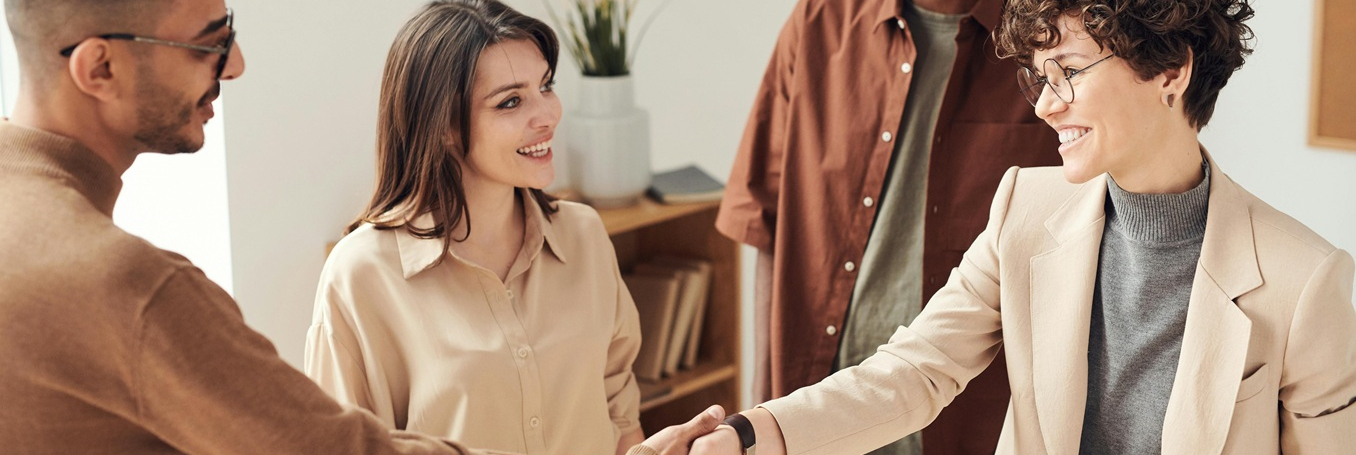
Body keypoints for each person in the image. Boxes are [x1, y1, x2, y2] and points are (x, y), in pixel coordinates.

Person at [0, 0, 715, 453]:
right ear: (98, 67)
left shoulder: (583, 237)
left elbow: (616, 402)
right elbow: (328, 445)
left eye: (545, 87)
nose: (236, 65)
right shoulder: (134, 284)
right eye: (208, 42)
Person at [684, 0, 1356, 453]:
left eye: (1070, 72)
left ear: (1171, 71)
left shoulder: (1303, 279)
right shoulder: (1023, 210)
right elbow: (912, 371)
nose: (1045, 106)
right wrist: (748, 435)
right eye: (1040, 77)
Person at [714, 0, 1062, 452]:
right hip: (812, 414)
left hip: (970, 419)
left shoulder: (1050, 38)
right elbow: (767, 224)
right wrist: (759, 411)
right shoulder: (819, 21)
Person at [303, 1, 644, 454]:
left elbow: (620, 417)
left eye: (546, 86)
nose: (547, 115)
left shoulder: (584, 236)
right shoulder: (361, 275)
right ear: (443, 125)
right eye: (510, 101)